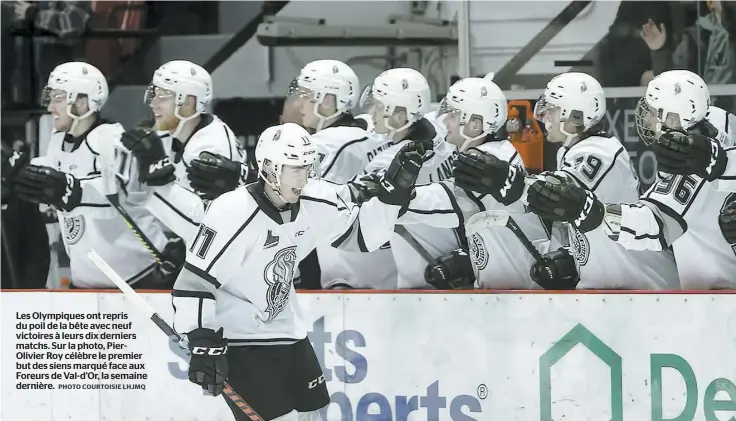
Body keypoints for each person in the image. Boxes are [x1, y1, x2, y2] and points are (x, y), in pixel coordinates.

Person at [171, 122, 424, 420]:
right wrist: (200, 339)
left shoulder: (316, 201)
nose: (303, 177)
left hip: (288, 331)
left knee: (315, 414)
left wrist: (390, 201)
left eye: (307, 167)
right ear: (268, 167)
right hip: (241, 339)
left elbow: (362, 236)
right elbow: (195, 280)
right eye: (294, 168)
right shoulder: (231, 212)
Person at [462, 72, 680, 289]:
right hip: (610, 286)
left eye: (553, 109)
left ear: (576, 115)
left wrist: (507, 180)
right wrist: (566, 253)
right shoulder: (571, 151)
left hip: (646, 286)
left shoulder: (600, 152)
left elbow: (560, 194)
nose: (544, 116)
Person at [524, 69, 736, 289]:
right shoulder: (716, 128)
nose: (646, 117)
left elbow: (654, 226)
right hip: (710, 291)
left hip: (717, 296)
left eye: (653, 111)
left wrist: (598, 213)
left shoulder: (689, 168)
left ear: (673, 117)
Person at [12, 61, 176, 289]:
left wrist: (69, 190)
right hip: (86, 281)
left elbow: (114, 201)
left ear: (82, 102)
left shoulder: (111, 140)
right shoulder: (58, 141)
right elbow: (51, 182)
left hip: (139, 276)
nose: (50, 107)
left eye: (58, 97)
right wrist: (16, 175)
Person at [388, 75, 550, 289]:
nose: (446, 122)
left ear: (475, 124)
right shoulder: (499, 152)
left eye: (453, 115)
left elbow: (444, 201)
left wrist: (388, 198)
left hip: (519, 294)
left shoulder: (486, 163)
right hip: (511, 289)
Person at [119, 60, 247, 243]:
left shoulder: (211, 149)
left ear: (188, 102)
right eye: (154, 93)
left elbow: (211, 232)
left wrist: (160, 179)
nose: (153, 103)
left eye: (163, 96)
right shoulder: (180, 134)